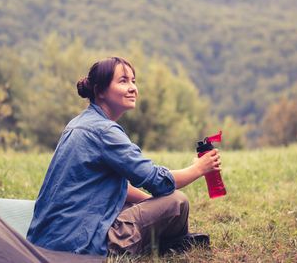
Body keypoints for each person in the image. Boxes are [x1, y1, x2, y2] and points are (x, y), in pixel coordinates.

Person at [27, 57, 221, 257]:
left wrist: (150, 205)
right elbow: (158, 181)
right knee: (177, 202)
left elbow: (114, 186)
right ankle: (167, 245)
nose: (132, 88)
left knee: (152, 204)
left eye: (133, 81)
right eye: (123, 81)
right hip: (84, 247)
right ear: (100, 91)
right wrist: (199, 168)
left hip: (47, 242)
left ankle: (168, 242)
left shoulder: (78, 124)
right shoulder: (104, 131)